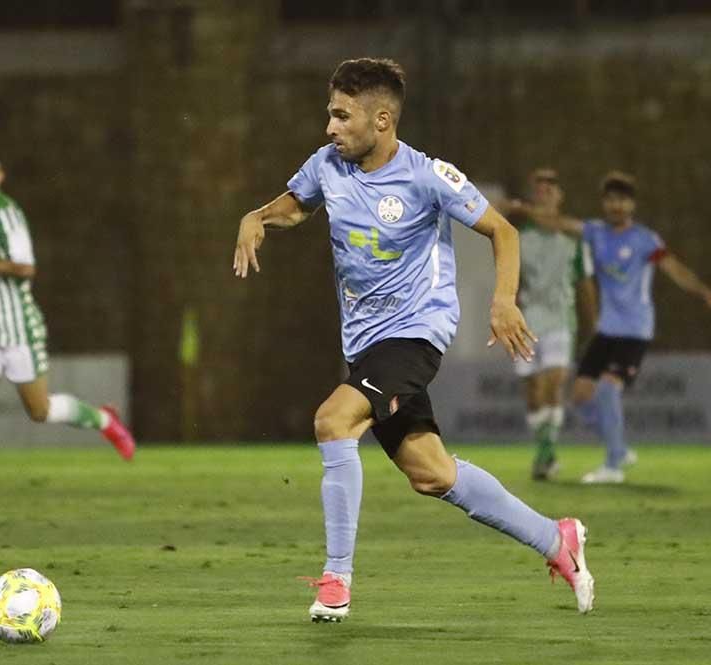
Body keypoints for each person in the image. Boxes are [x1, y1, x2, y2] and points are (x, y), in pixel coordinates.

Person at [232, 58, 594, 620]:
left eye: (340, 116)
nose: (329, 128)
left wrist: (502, 300)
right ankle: (556, 539)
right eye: (330, 115)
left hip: (415, 333)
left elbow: (503, 229)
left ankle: (336, 578)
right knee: (432, 473)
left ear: (381, 119)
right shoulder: (327, 165)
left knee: (334, 420)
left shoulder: (428, 175)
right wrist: (257, 217)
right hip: (365, 345)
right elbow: (295, 206)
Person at [0, 146, 135, 512]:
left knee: (40, 410)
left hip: (18, 329)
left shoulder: (7, 215)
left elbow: (26, 267)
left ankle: (104, 420)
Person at [518, 171, 711, 483]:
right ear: (604, 203)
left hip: (635, 330)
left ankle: (613, 464)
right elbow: (558, 224)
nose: (616, 206)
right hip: (607, 329)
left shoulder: (645, 239)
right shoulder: (596, 232)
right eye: (610, 200)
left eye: (622, 200)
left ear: (632, 204)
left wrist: (702, 291)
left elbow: (672, 267)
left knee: (607, 389)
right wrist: (521, 208)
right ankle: (618, 446)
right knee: (579, 397)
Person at [504, 169, 597, 480]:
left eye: (550, 188)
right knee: (533, 392)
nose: (544, 192)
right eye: (539, 188)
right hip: (526, 321)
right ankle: (545, 450)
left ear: (560, 196)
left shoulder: (572, 237)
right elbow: (511, 283)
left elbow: (584, 284)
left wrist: (594, 323)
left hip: (560, 320)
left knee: (552, 383)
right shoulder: (518, 237)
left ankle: (545, 453)